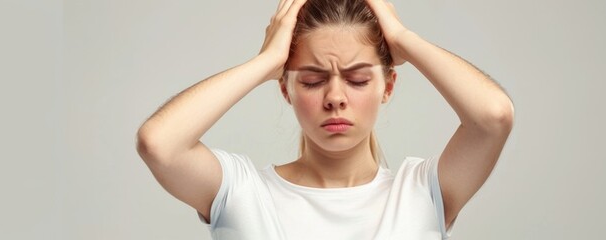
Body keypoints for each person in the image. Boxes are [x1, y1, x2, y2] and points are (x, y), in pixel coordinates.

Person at [135, 0, 514, 239]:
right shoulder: (241, 192)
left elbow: (493, 116)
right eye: (313, 80)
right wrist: (266, 62)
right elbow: (159, 143)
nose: (335, 98)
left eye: (358, 79)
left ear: (388, 86)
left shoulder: (423, 192)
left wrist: (401, 37)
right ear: (286, 90)